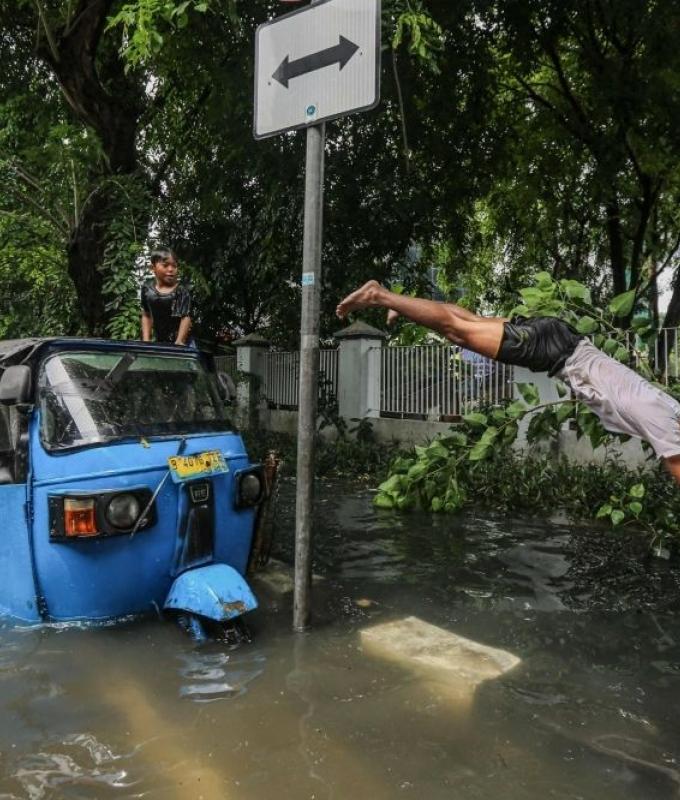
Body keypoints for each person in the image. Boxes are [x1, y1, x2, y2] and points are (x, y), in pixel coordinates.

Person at [336, 280, 680, 486]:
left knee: (465, 325)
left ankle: (399, 303)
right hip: (556, 350)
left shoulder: (671, 411)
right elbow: (675, 465)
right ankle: (380, 295)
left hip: (559, 340)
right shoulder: (667, 423)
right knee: (460, 330)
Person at [140, 248, 192, 345]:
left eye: (174, 266)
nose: (171, 269)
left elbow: (185, 317)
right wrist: (146, 341)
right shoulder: (147, 289)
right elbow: (146, 314)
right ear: (153, 268)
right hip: (158, 342)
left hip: (182, 344)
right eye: (165, 265)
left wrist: (179, 342)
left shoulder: (181, 290)